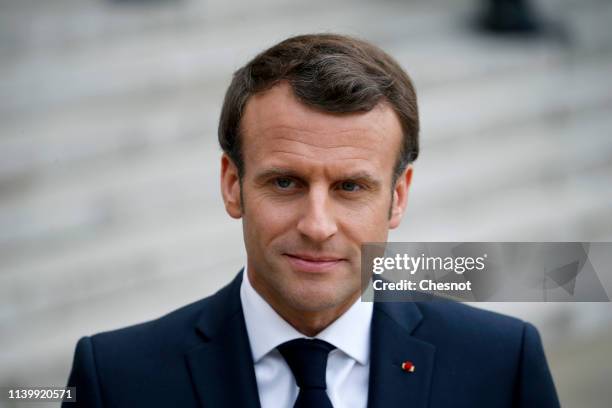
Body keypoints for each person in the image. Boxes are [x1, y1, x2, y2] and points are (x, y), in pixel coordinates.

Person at [63, 33, 560, 407]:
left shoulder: (502, 363)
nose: (317, 225)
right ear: (232, 184)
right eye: (285, 183)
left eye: (350, 187)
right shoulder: (114, 378)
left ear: (398, 197)